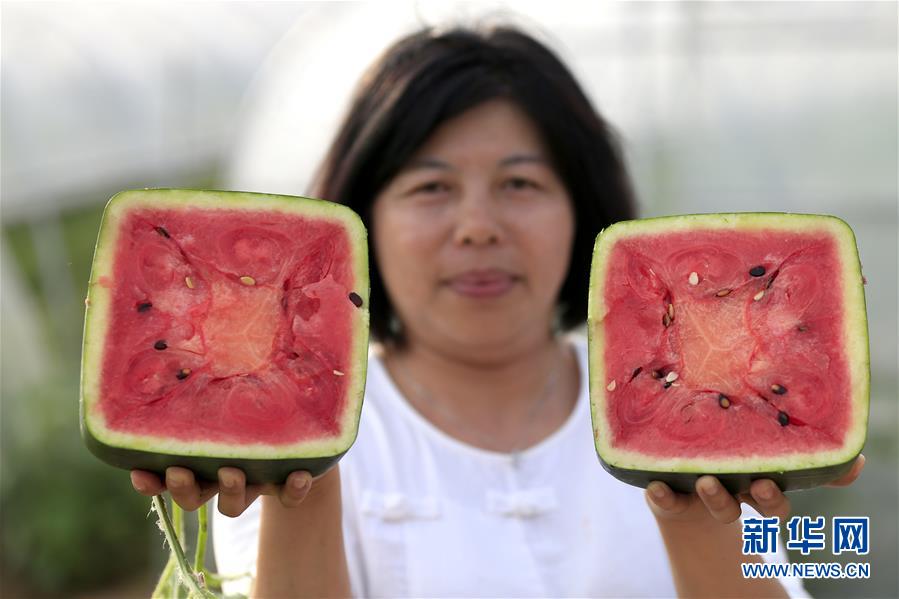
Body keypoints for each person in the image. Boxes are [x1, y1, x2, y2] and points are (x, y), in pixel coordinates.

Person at [130, 25, 864, 598]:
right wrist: (305, 475)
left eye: (519, 184)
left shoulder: (731, 415)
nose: (477, 226)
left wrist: (700, 511)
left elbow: (811, 573)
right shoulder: (297, 429)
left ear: (583, 212)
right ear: (362, 221)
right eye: (430, 189)